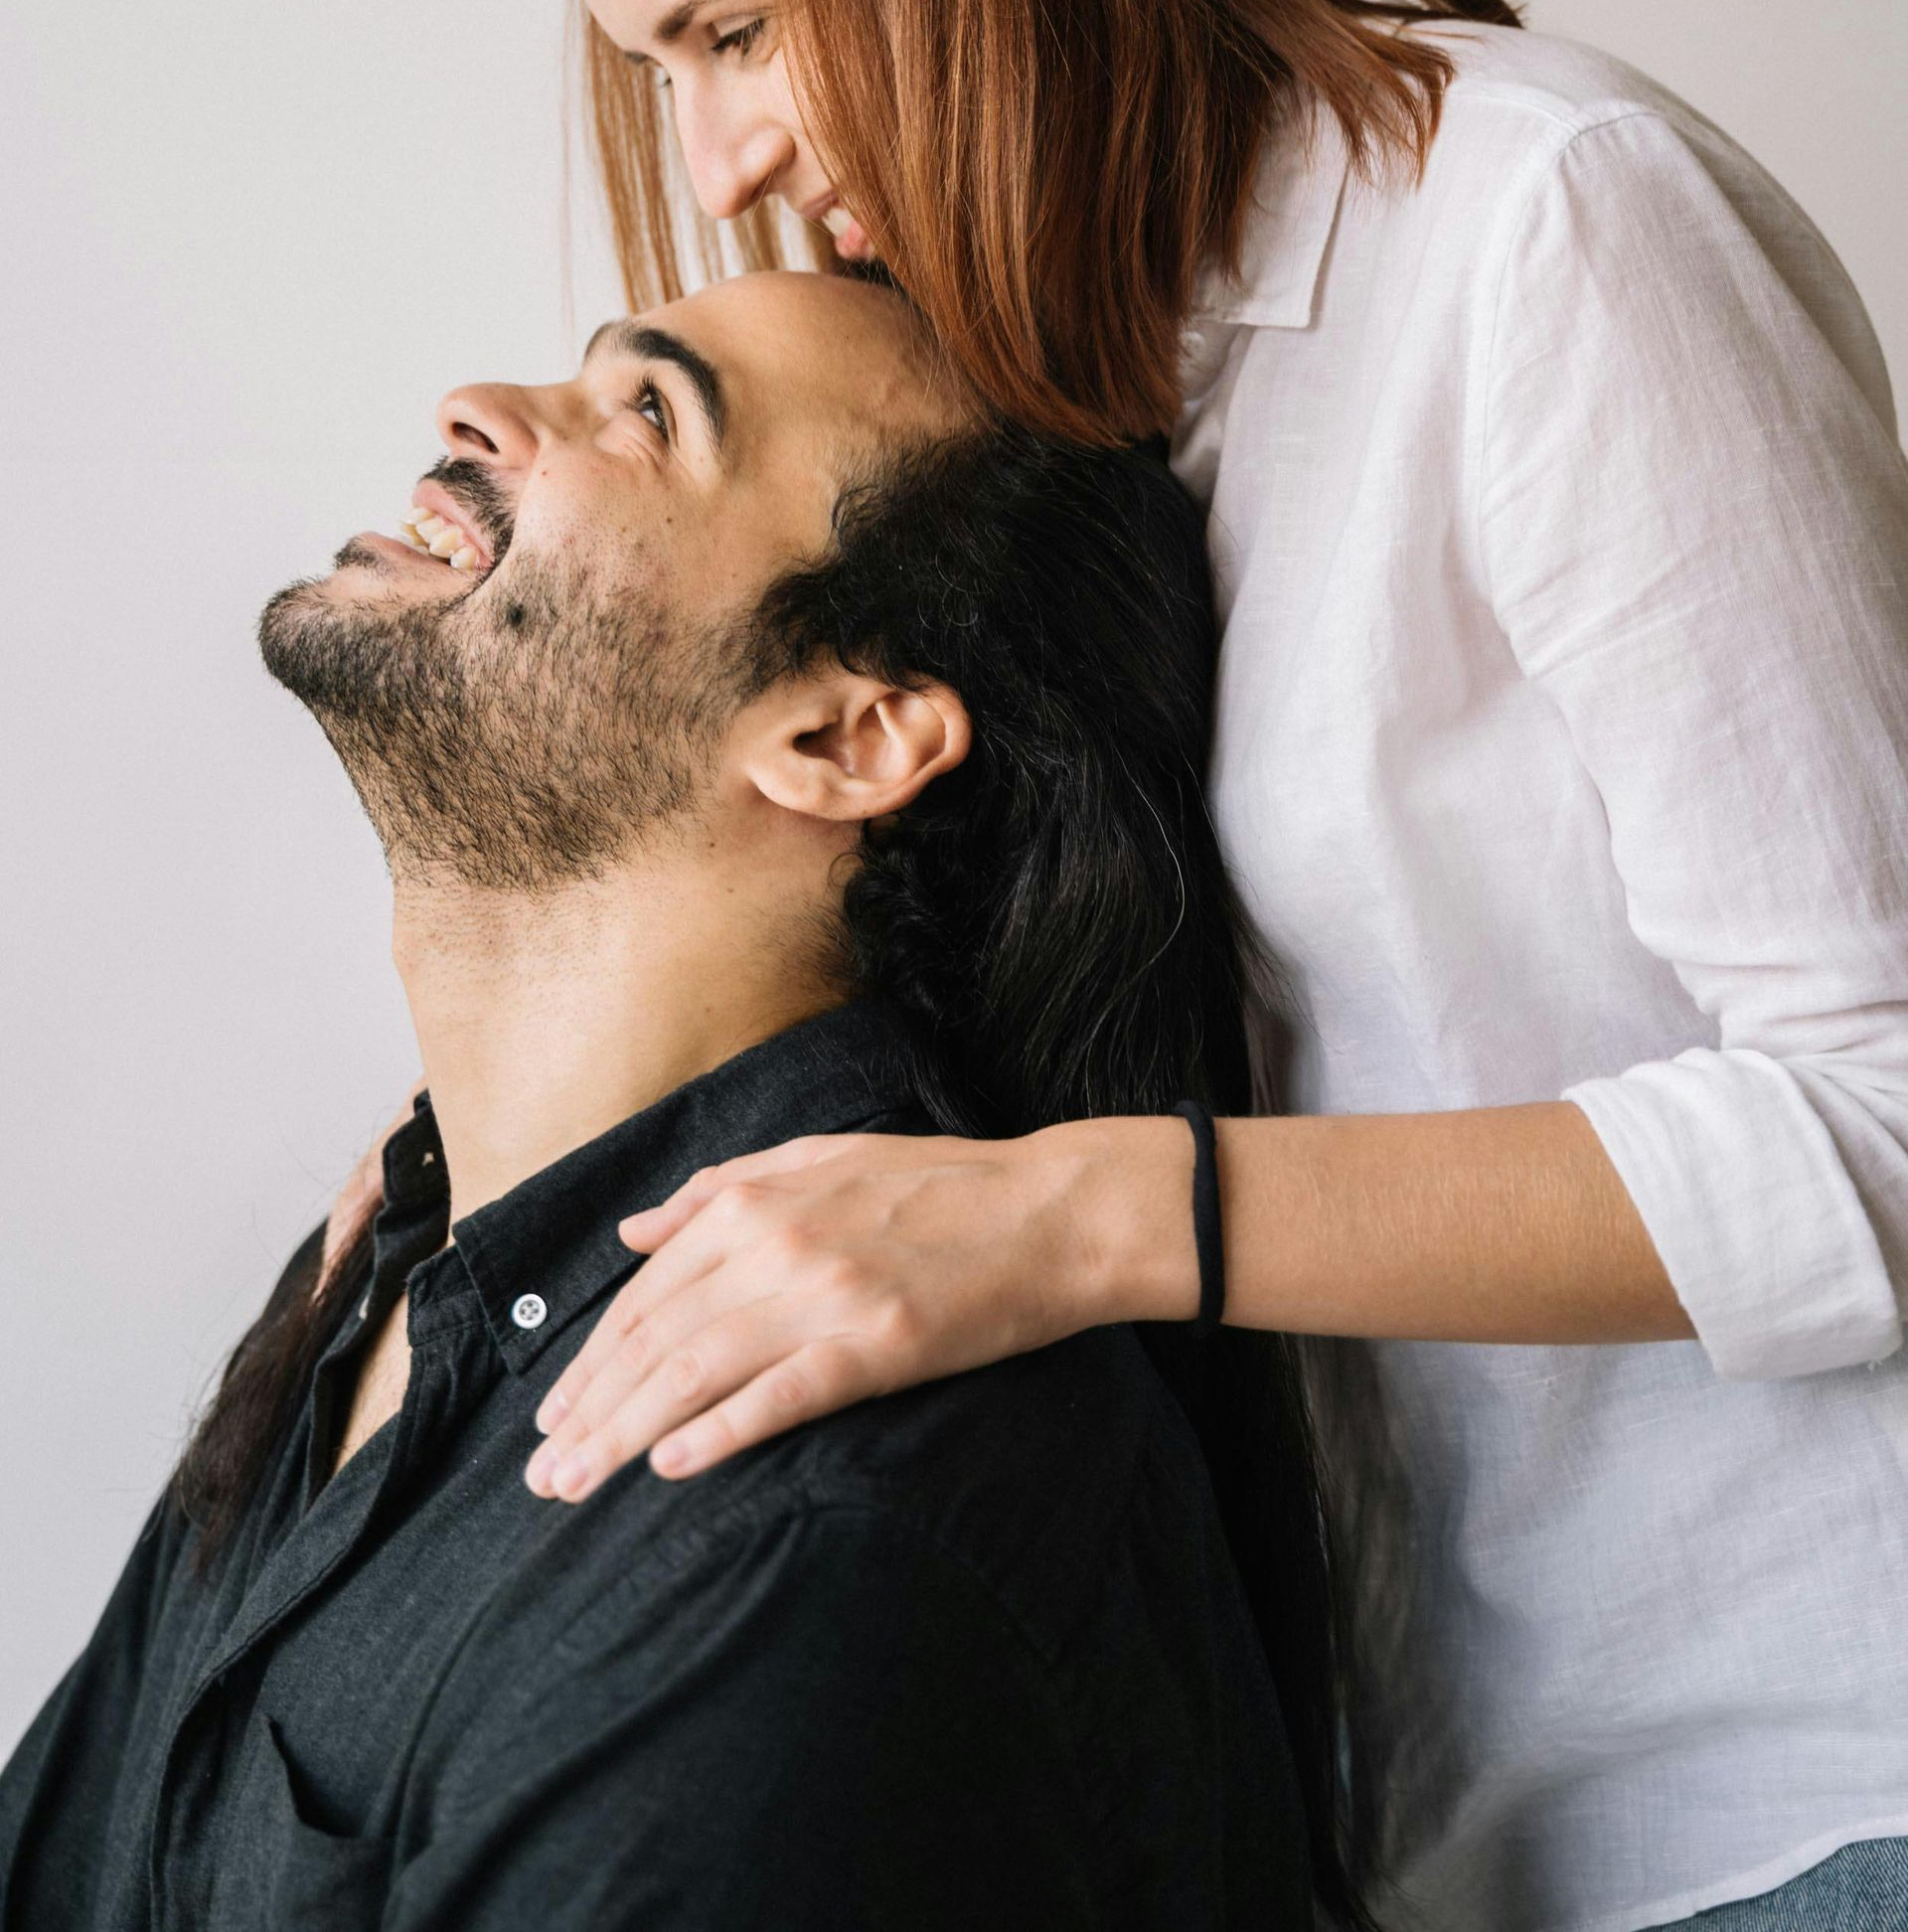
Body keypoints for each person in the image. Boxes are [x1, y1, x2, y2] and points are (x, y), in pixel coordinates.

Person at [468, 0, 1908, 1932]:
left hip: (1809, 1786)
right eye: (662, 67)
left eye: (735, 29)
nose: (719, 168)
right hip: (1444, 1836)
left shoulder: (1541, 237)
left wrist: (1076, 1224)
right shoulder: (1058, 391)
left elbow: (1887, 1121)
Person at [0, 270, 1353, 1931]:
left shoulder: (818, 1531)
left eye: (651, 414)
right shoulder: (386, 1266)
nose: (477, 413)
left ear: (845, 736)